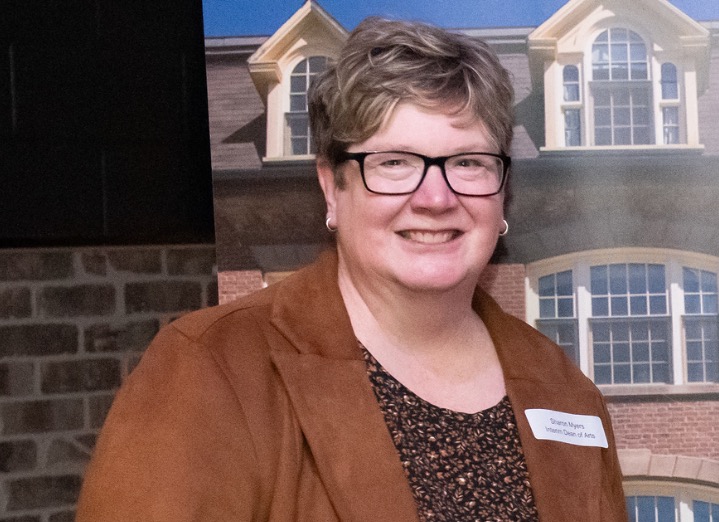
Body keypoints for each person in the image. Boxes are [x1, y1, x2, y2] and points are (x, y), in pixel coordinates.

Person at [76, 17, 627, 521]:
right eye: (394, 163)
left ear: (501, 190)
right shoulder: (211, 370)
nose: (435, 196)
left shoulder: (566, 390)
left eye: (468, 162)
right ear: (331, 187)